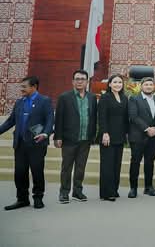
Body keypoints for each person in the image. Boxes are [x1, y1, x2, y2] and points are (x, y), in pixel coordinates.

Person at [0, 76, 53, 210]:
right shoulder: (19, 102)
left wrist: (45, 134)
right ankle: (22, 199)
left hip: (37, 143)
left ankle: (38, 198)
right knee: (19, 173)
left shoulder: (44, 101)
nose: (21, 89)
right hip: (20, 144)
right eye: (21, 86)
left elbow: (50, 120)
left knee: (37, 172)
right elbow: (10, 121)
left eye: (24, 87)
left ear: (34, 87)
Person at [53, 69, 97, 204]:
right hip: (69, 139)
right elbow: (59, 118)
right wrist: (57, 136)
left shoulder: (92, 98)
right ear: (73, 81)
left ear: (87, 82)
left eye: (82, 79)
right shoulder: (64, 97)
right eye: (77, 79)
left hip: (85, 139)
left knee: (80, 167)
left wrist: (93, 136)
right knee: (66, 167)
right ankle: (64, 192)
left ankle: (77, 192)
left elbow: (93, 118)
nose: (79, 81)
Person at [127, 77, 155, 198]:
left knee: (149, 162)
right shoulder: (134, 99)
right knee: (135, 162)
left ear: (154, 86)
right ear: (141, 86)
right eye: (146, 84)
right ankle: (133, 188)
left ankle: (148, 187)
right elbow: (133, 116)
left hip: (154, 137)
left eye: (151, 84)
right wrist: (147, 129)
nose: (149, 86)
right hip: (138, 136)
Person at [98, 74, 129, 201]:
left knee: (117, 164)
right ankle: (106, 193)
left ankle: (114, 190)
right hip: (108, 135)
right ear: (110, 84)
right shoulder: (105, 97)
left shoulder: (124, 98)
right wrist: (105, 133)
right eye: (115, 82)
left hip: (120, 135)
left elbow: (126, 118)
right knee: (107, 165)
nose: (117, 84)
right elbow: (102, 116)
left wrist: (127, 133)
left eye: (120, 82)